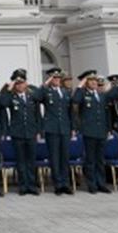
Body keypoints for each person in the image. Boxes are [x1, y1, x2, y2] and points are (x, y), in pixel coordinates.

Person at [0, 71, 40, 196]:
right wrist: (9, 87)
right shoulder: (12, 97)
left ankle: (32, 185)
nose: (20, 86)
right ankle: (23, 185)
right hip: (17, 133)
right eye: (17, 84)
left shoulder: (32, 96)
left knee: (31, 160)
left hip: (31, 132)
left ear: (25, 84)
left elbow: (37, 115)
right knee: (21, 161)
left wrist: (38, 131)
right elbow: (3, 103)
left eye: (22, 83)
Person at [35, 67, 73, 196]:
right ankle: (58, 184)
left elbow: (70, 111)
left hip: (65, 128)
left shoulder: (65, 91)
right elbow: (36, 97)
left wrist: (72, 127)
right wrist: (45, 84)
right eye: (54, 78)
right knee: (55, 157)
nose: (57, 80)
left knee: (64, 157)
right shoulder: (46, 91)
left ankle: (65, 184)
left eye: (58, 78)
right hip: (52, 128)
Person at [73, 71, 111, 194]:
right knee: (90, 160)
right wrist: (80, 85)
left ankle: (101, 183)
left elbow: (106, 113)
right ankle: (92, 184)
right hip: (89, 131)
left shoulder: (101, 95)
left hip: (101, 132)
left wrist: (107, 129)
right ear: (86, 83)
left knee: (100, 159)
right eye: (91, 80)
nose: (94, 82)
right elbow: (75, 100)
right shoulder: (83, 94)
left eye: (95, 80)